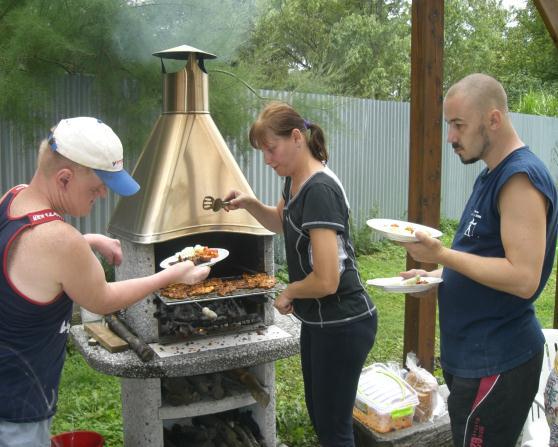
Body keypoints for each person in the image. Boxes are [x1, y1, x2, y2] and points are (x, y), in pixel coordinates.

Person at [0, 117, 210, 446]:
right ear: (65, 178)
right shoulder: (60, 240)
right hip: (16, 411)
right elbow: (104, 299)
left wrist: (90, 240)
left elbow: (31, 256)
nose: (103, 195)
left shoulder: (14, 199)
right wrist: (174, 274)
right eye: (98, 187)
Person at [400, 74, 558, 446]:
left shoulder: (519, 178)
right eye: (449, 126)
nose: (451, 137)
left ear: (493, 119)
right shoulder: (490, 176)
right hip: (473, 356)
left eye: (458, 125)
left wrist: (440, 254)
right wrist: (437, 277)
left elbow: (523, 277)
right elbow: (483, 259)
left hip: (498, 360)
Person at [224, 102, 377, 446]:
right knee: (323, 419)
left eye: (270, 148)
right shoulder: (295, 181)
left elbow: (327, 280)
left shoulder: (319, 190)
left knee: (334, 429)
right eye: (264, 151)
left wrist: (291, 290)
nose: (267, 158)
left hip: (344, 321)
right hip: (321, 321)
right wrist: (249, 203)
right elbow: (280, 222)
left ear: (296, 138)